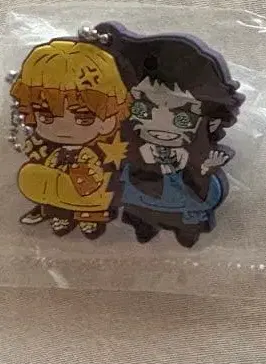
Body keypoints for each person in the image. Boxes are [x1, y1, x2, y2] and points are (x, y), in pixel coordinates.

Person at [96, 23, 243, 248]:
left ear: (211, 120)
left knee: (184, 210)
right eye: (144, 110)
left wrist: (206, 168)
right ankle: (143, 223)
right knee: (138, 206)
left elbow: (199, 179)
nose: (160, 125)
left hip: (180, 194)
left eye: (181, 117)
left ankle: (183, 228)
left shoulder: (191, 153)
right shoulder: (133, 146)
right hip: (141, 191)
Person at [10, 39, 129, 238]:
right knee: (31, 175)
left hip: (87, 191)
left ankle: (88, 218)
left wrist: (83, 174)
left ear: (108, 119)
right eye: (46, 116)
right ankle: (60, 214)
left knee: (90, 192)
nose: (63, 127)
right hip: (61, 191)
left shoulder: (89, 154)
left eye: (83, 118)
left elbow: (94, 175)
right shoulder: (55, 152)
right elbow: (49, 169)